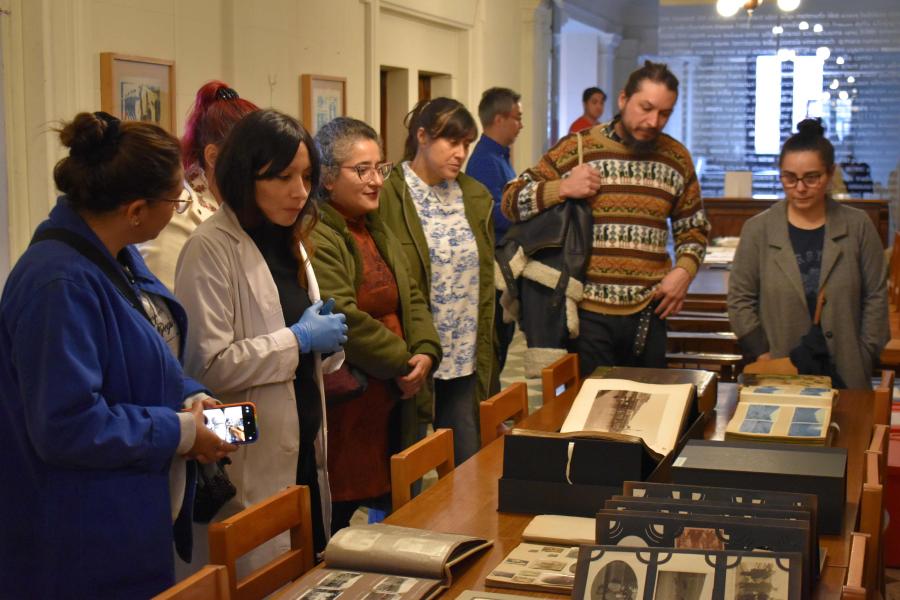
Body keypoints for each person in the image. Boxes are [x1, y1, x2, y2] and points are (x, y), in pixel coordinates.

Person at [0, 111, 235, 598]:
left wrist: (193, 398)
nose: (183, 207)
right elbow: (67, 427)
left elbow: (150, 346)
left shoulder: (116, 255)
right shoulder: (57, 284)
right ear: (135, 210)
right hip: (80, 537)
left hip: (130, 509)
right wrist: (184, 432)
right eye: (176, 198)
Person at [175, 109, 348, 561]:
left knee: (308, 568)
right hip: (251, 458)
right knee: (262, 574)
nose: (300, 191)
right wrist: (300, 340)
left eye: (307, 176)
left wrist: (327, 347)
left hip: (304, 451)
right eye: (282, 177)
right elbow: (206, 366)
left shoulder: (290, 239)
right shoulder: (209, 247)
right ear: (246, 175)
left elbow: (299, 352)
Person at [503, 61, 710, 377]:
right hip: (587, 317)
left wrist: (684, 271)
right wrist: (562, 188)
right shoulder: (580, 147)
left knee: (650, 414)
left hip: (649, 312)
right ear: (623, 99)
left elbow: (693, 228)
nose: (653, 121)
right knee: (590, 416)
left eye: (664, 113)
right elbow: (511, 201)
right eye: (646, 107)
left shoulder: (676, 158)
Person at [310, 117, 442, 528]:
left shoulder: (376, 225)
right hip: (355, 405)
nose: (376, 181)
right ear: (328, 178)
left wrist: (425, 352)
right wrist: (404, 364)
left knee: (401, 510)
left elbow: (412, 294)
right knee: (342, 519)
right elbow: (344, 315)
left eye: (380, 168)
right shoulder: (317, 233)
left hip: (395, 397)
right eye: (361, 170)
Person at [727, 118, 889, 389]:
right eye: (789, 178)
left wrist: (864, 353)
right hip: (779, 370)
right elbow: (740, 299)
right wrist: (765, 355)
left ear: (830, 173)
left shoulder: (858, 226)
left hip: (847, 371)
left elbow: (876, 296)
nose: (800, 188)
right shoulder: (759, 229)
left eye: (812, 178)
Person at [378, 97, 497, 464]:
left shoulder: (473, 195)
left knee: (467, 466)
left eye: (466, 144)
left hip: (463, 352)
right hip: (414, 355)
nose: (460, 153)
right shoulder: (389, 193)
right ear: (423, 136)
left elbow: (485, 281)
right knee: (404, 468)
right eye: (452, 142)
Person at [139, 81, 259, 290]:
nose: (263, 171)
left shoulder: (248, 208)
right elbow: (163, 310)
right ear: (213, 156)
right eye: (253, 160)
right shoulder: (178, 216)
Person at [466, 87, 523, 372]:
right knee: (496, 347)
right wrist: (527, 212)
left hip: (505, 260)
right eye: (517, 118)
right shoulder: (485, 160)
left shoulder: (499, 156)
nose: (521, 125)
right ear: (499, 119)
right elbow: (492, 215)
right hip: (494, 260)